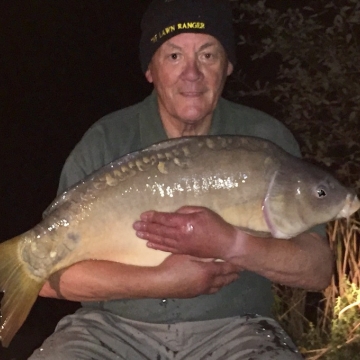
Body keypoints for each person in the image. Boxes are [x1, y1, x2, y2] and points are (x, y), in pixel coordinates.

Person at [29, 0, 333, 359]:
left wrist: (230, 243)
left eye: (208, 55)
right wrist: (162, 282)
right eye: (174, 56)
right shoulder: (106, 140)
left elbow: (317, 270)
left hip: (236, 330)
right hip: (109, 330)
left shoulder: (265, 141)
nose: (192, 73)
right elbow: (43, 278)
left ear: (228, 65)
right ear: (150, 69)